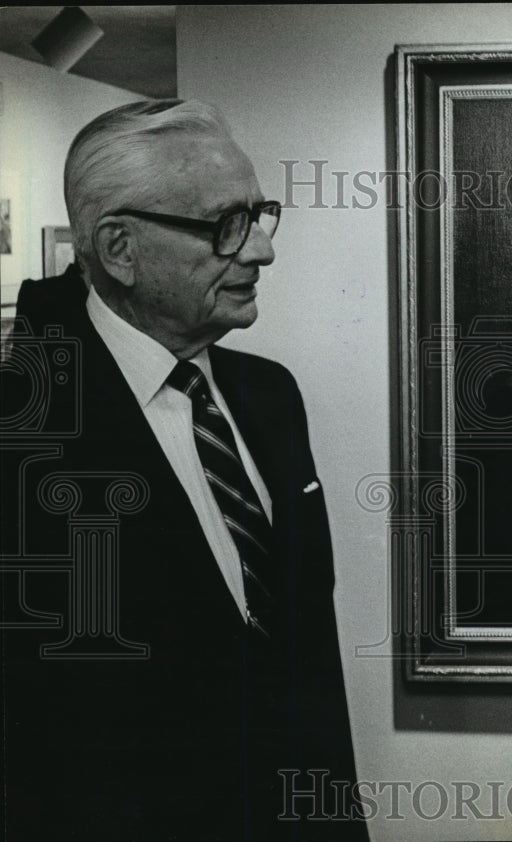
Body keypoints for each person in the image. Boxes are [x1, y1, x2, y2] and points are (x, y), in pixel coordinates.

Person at [1, 100, 367, 840]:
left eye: (260, 215)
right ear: (120, 249)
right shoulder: (21, 435)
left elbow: (305, 670)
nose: (262, 250)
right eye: (226, 225)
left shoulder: (270, 397)